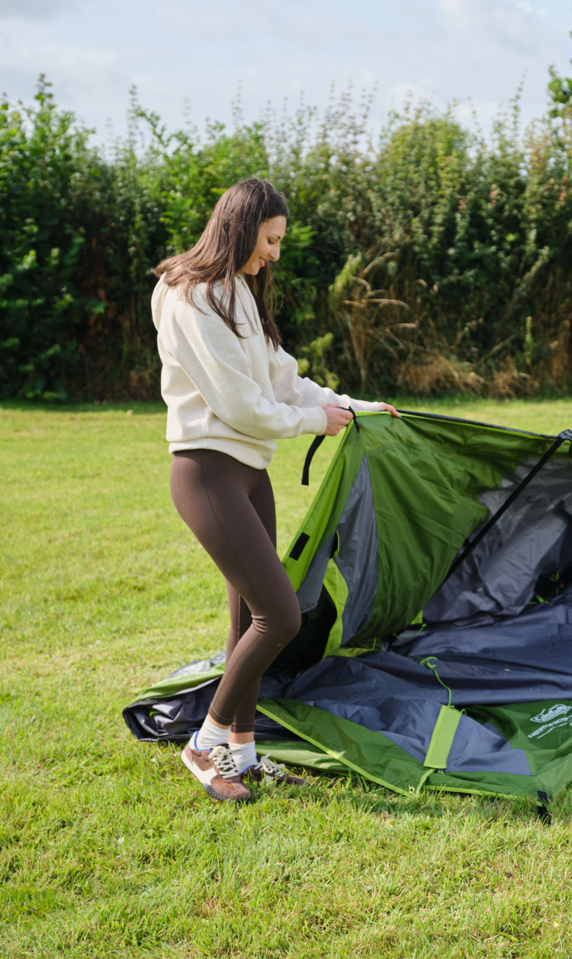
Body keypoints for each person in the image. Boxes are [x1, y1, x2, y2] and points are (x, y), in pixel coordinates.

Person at [151, 178, 399, 803]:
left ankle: (242, 752)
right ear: (241, 229)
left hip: (249, 476)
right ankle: (204, 743)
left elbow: (283, 380)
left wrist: (353, 407)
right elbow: (240, 405)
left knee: (247, 621)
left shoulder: (238, 290)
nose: (275, 253)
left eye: (280, 240)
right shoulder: (188, 296)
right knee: (281, 615)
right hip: (208, 472)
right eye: (270, 239)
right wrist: (317, 422)